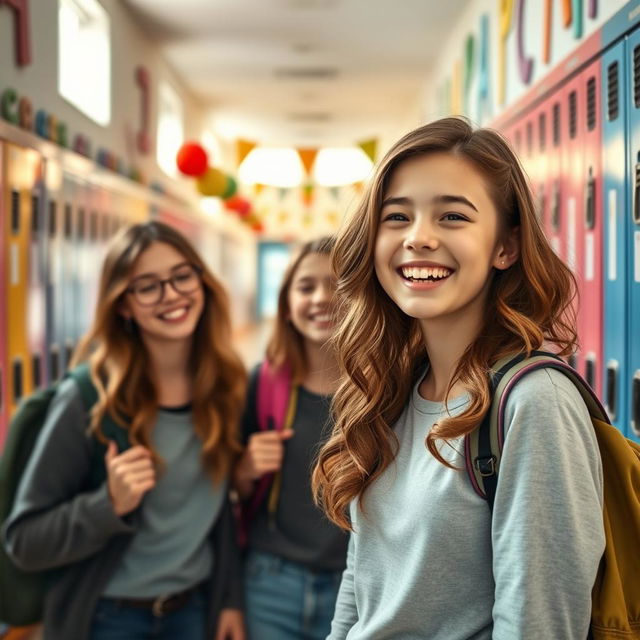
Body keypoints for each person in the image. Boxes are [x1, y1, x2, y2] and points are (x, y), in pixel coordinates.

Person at [312, 117, 605, 639]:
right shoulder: (393, 388)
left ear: (505, 247)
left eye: (452, 216)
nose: (419, 238)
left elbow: (538, 626)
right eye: (396, 217)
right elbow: (363, 580)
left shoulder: (533, 401)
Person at [3, 221, 247, 640]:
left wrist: (229, 598)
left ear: (202, 282)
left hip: (194, 612)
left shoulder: (225, 387)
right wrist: (107, 505)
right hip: (106, 619)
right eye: (147, 286)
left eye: (182, 276)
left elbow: (218, 508)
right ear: (123, 305)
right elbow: (24, 540)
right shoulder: (88, 400)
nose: (171, 294)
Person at [233, 236, 348, 640]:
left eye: (338, 285)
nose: (322, 298)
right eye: (306, 287)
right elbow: (228, 491)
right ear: (286, 302)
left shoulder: (382, 393)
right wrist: (244, 470)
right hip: (270, 582)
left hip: (355, 584)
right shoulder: (261, 384)